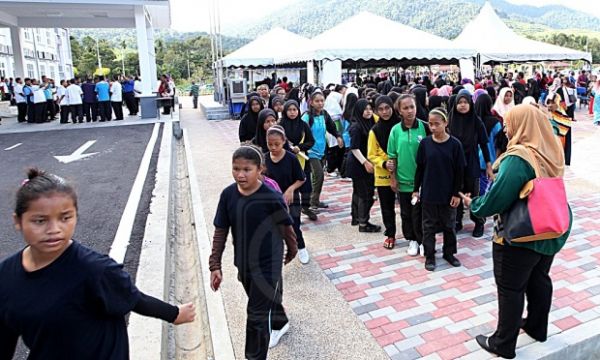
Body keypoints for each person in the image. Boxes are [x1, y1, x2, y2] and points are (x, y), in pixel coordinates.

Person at [0, 168, 196, 359]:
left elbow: (134, 299)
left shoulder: (95, 269)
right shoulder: (6, 275)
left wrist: (175, 314)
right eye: (40, 221)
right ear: (18, 221)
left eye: (65, 218)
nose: (54, 229)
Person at [461, 104, 571, 359]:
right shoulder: (551, 148)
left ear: (523, 125)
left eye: (510, 123)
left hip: (521, 234)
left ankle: (503, 343)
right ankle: (536, 326)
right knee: (539, 279)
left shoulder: (519, 158)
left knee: (510, 289)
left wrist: (474, 205)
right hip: (551, 229)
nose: (507, 129)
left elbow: (497, 200)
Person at [209, 146, 297, 360]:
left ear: (260, 170)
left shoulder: (270, 196)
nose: (240, 174)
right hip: (244, 261)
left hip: (269, 262)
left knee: (256, 315)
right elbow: (221, 230)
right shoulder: (228, 195)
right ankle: (280, 321)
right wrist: (215, 265)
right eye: (236, 169)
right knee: (261, 299)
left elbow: (286, 227)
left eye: (247, 169)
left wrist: (292, 249)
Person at [414, 108, 465, 271]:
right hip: (429, 193)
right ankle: (429, 255)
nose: (433, 127)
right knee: (428, 226)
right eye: (430, 124)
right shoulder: (425, 144)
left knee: (449, 225)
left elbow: (459, 171)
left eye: (437, 124)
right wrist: (416, 189)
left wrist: (457, 193)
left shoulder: (455, 145)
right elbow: (420, 169)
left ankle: (449, 253)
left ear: (445, 123)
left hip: (448, 194)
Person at [388, 94, 428, 256]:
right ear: (399, 111)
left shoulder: (425, 127)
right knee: (406, 213)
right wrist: (393, 178)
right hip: (403, 182)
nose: (410, 111)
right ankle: (412, 240)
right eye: (405, 108)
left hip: (423, 182)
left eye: (412, 107)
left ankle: (424, 241)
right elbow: (392, 156)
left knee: (422, 213)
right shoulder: (395, 131)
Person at [449, 91, 493, 238]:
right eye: (459, 102)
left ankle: (479, 222)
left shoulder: (476, 121)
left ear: (470, 104)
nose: (462, 105)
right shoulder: (450, 120)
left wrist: (488, 164)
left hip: (471, 163)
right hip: (454, 164)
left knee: (473, 194)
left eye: (465, 102)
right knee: (456, 191)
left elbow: (484, 144)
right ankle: (457, 221)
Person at [264, 125, 309, 264]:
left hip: (291, 199)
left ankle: (300, 247)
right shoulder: (264, 159)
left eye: (276, 144)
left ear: (284, 141)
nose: (273, 147)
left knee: (294, 225)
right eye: (270, 144)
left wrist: (290, 189)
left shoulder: (291, 158)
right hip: (273, 201)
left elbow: (302, 179)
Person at [302, 89, 343, 214]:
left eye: (322, 101)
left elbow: (331, 127)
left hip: (322, 150)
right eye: (317, 101)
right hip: (310, 151)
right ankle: (312, 203)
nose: (320, 103)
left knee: (319, 177)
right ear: (311, 103)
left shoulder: (324, 114)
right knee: (318, 175)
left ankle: (315, 200)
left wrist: (338, 136)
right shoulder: (307, 116)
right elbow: (302, 132)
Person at [368, 95, 399, 249]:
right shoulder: (375, 131)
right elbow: (371, 154)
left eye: (387, 108)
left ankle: (413, 234)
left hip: (404, 173)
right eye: (380, 109)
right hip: (383, 174)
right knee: (387, 207)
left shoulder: (401, 126)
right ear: (376, 111)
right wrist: (384, 163)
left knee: (408, 206)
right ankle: (390, 234)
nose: (385, 112)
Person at [345, 99, 380, 233]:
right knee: (366, 193)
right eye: (365, 109)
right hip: (358, 163)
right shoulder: (356, 126)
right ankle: (363, 223)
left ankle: (356, 217)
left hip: (363, 162)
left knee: (358, 191)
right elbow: (354, 148)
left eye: (370, 109)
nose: (369, 111)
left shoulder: (370, 122)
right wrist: (365, 162)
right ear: (359, 110)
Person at [279, 100, 317, 221]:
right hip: (287, 161)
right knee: (292, 187)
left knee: (306, 187)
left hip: (302, 160)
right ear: (285, 111)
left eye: (294, 110)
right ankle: (293, 213)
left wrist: (299, 147)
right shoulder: (281, 126)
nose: (292, 112)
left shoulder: (303, 125)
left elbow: (311, 141)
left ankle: (305, 207)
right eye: (289, 110)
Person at [475, 93, 502, 195]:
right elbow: (499, 142)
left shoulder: (473, 121)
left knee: (478, 186)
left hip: (475, 159)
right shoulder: (495, 123)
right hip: (491, 160)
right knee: (487, 187)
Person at [545, 92, 572, 165]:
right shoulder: (545, 115)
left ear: (558, 103)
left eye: (553, 102)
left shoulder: (565, 119)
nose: (550, 105)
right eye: (548, 102)